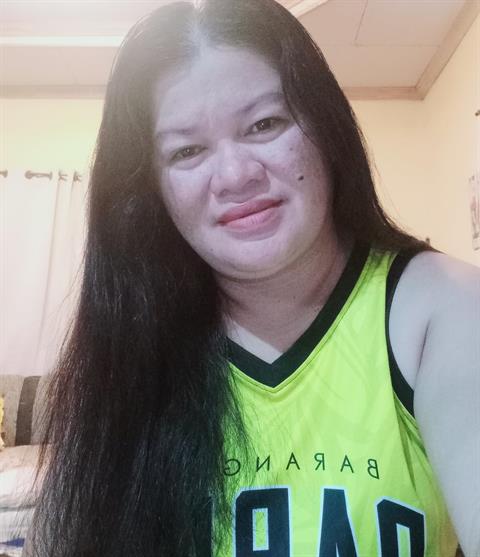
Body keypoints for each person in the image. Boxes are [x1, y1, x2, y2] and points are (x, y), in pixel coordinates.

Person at [23, 0, 479, 556]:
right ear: (152, 190)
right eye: (187, 150)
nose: (236, 175)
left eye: (265, 124)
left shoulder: (439, 311)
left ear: (325, 127)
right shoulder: (130, 350)